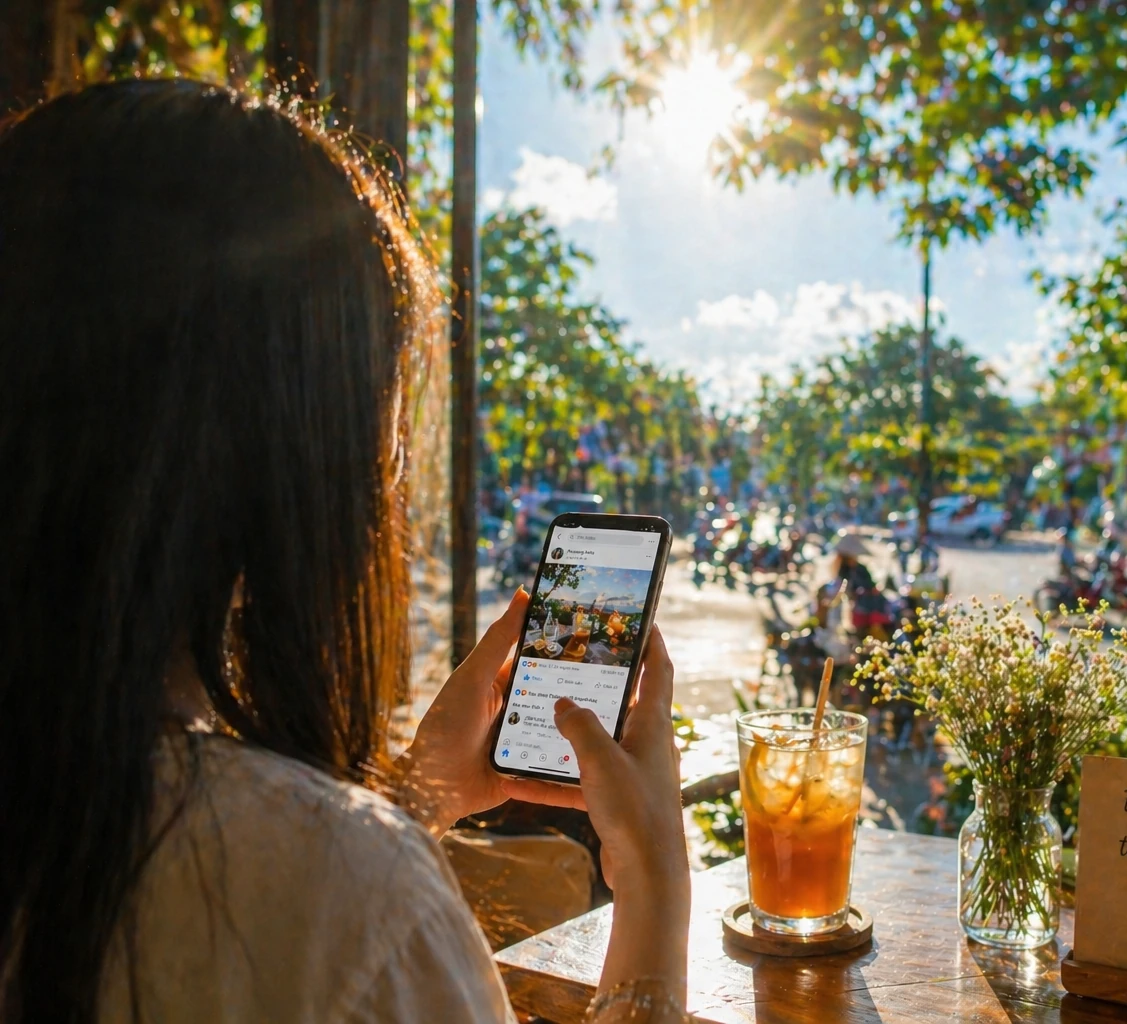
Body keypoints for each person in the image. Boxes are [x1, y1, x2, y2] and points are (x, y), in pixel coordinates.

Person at [0, 81, 688, 1023]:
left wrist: (413, 796)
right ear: (297, 452)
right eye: (384, 425)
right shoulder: (348, 900)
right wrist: (654, 890)